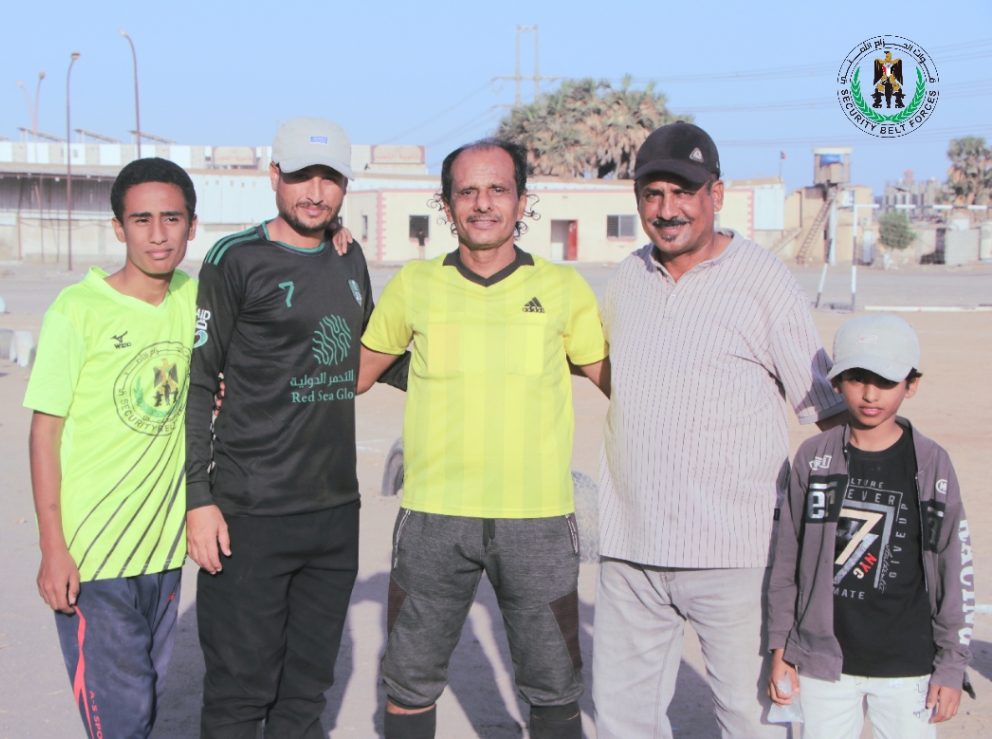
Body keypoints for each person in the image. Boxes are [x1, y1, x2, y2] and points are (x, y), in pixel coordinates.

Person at [593, 121, 846, 738]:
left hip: (739, 554)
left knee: (751, 719)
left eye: (683, 192)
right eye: (652, 194)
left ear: (717, 194)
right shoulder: (625, 280)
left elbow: (826, 411)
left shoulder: (762, 280)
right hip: (631, 549)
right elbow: (613, 378)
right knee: (623, 722)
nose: (667, 210)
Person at [358, 138, 609, 739]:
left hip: (539, 520)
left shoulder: (563, 287)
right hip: (433, 518)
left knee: (554, 684)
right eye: (467, 191)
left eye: (498, 189)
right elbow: (357, 373)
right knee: (409, 681)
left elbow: (615, 382)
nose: (483, 203)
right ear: (446, 205)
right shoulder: (414, 284)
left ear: (522, 200)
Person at [185, 117, 399, 737]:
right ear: (274, 175)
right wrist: (199, 499)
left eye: (330, 179)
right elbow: (199, 383)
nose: (315, 192)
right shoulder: (235, 259)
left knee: (306, 694)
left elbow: (370, 358)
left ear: (345, 186)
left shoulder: (350, 256)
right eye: (302, 176)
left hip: (333, 513)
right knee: (239, 693)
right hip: (252, 512)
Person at [24, 157, 199, 738]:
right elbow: (44, 432)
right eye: (141, 219)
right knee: (120, 720)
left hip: (164, 551)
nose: (158, 234)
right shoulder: (78, 310)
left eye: (171, 218)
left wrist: (333, 236)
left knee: (144, 705)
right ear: (119, 228)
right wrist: (53, 547)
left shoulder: (195, 300)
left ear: (192, 225)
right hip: (94, 557)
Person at [767, 314, 973, 738]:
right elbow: (786, 559)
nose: (870, 394)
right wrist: (780, 647)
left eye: (885, 381)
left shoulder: (932, 463)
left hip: (908, 663)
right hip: (824, 663)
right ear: (836, 383)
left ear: (911, 385)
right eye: (857, 378)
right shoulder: (814, 458)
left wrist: (951, 665)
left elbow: (954, 568)